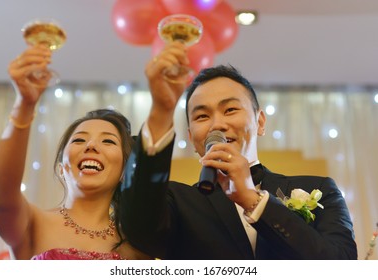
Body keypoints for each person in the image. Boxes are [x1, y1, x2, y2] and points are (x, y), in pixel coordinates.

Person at [119, 41, 358, 260]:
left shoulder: (319, 189)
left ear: (260, 122)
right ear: (192, 138)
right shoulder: (177, 202)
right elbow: (139, 226)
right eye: (202, 116)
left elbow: (341, 264)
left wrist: (253, 201)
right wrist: (162, 110)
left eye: (230, 110)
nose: (217, 125)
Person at [0, 45, 150, 260]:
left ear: (124, 171)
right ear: (61, 167)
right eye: (79, 139)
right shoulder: (33, 223)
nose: (91, 146)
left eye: (108, 141)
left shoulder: (136, 249)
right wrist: (25, 105)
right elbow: (0, 197)